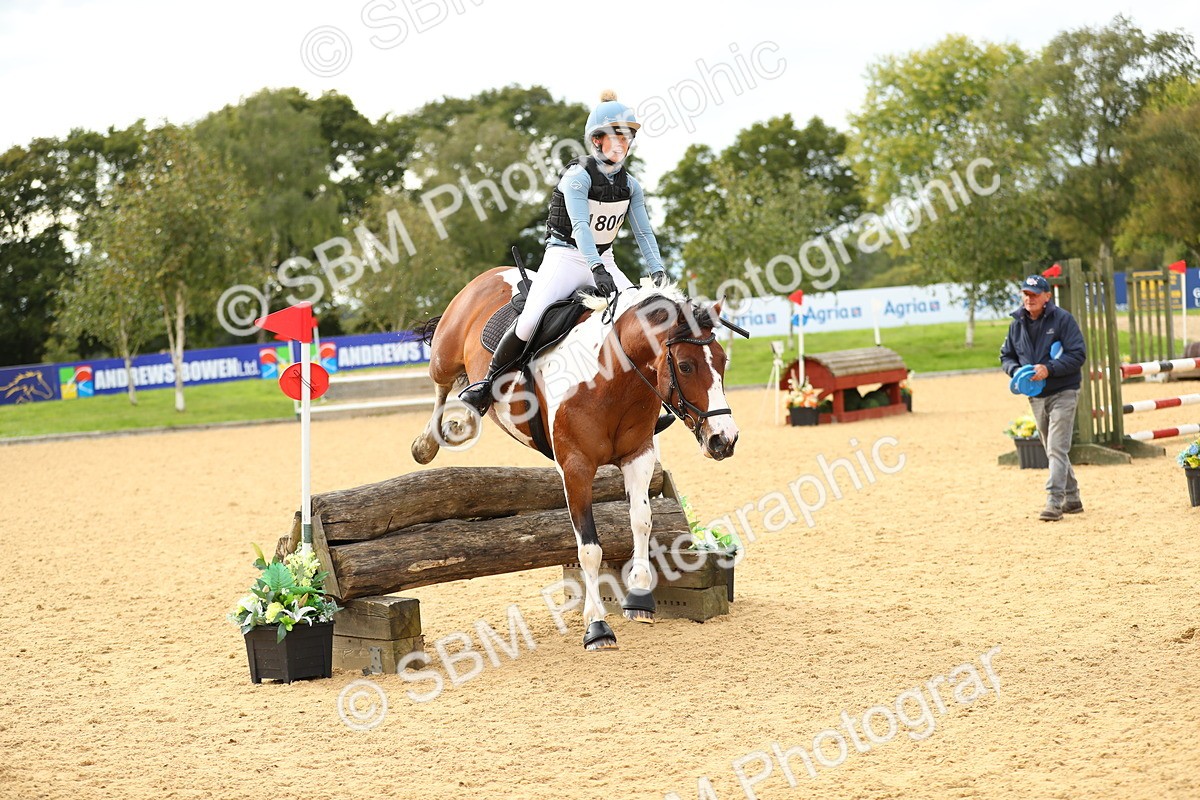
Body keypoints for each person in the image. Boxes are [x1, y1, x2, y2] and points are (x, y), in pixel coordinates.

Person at [458, 90, 668, 416]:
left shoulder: (631, 186)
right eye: (616, 137)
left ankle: (650, 400)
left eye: (627, 137)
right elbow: (581, 227)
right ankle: (487, 384)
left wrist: (656, 269)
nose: (622, 144)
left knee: (643, 320)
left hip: (605, 258)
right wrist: (595, 268)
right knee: (531, 319)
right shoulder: (576, 176)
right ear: (597, 141)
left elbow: (643, 232)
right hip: (566, 257)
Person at [999, 274, 1087, 521]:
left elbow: (1078, 354)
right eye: (1026, 294)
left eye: (1035, 294)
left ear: (1047, 296)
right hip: (1035, 395)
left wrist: (1049, 369)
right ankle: (1073, 498)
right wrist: (1016, 371)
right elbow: (1006, 356)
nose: (1030, 298)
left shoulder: (1063, 320)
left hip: (1064, 391)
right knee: (1052, 449)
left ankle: (1054, 501)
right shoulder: (1016, 324)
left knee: (1057, 447)